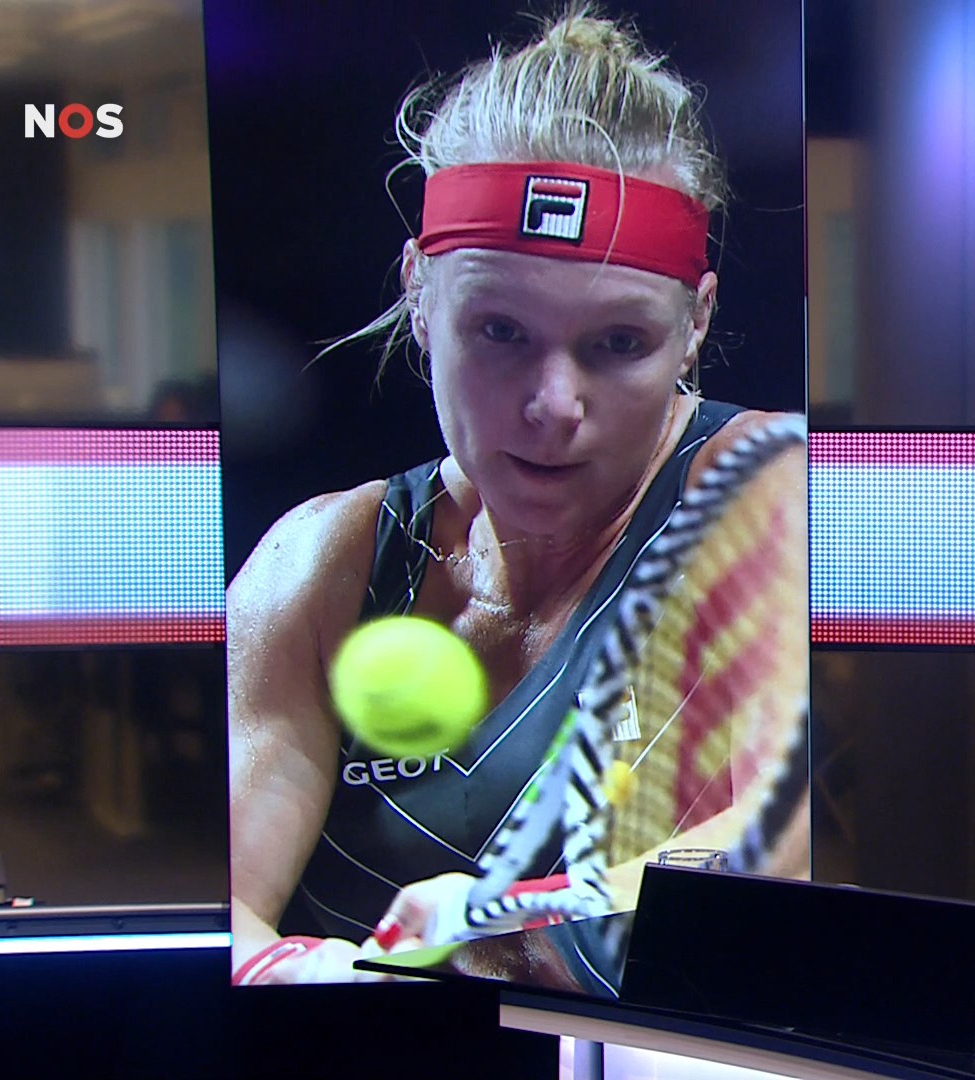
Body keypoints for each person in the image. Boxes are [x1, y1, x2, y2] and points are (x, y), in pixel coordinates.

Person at [228, 5, 803, 985]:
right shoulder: (316, 563)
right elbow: (214, 904)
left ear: (696, 323)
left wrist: (506, 924)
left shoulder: (769, 495)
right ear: (420, 295)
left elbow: (781, 850)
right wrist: (307, 979)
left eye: (618, 343)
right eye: (500, 332)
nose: (553, 404)